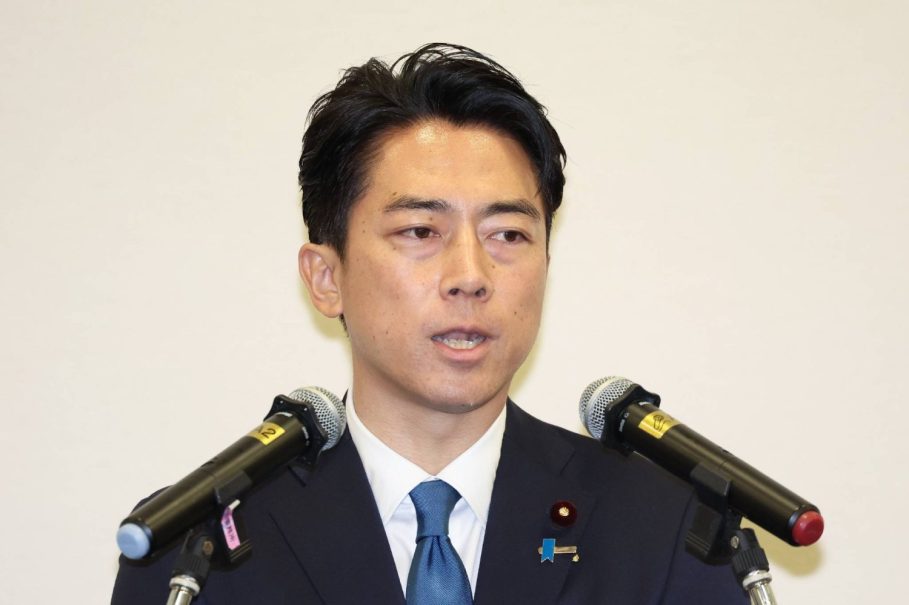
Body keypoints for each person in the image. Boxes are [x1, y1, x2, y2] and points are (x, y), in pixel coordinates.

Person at [112, 43, 747, 604]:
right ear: (326, 278)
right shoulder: (198, 550)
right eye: (420, 231)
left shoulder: (668, 529)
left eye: (508, 234)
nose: (470, 275)